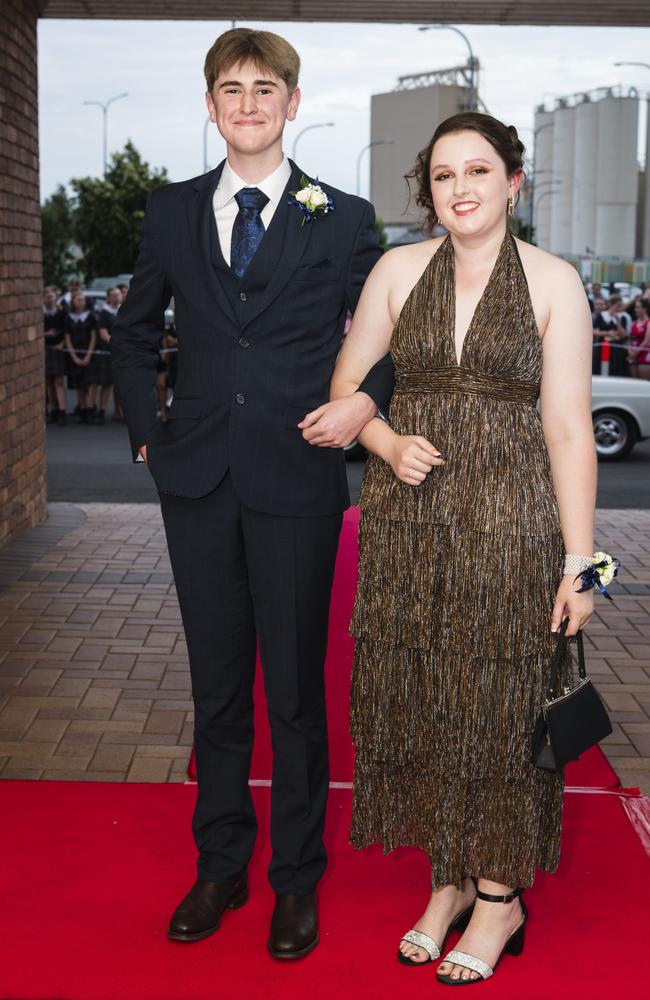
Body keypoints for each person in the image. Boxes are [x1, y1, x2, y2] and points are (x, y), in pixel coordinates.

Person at [110, 27, 388, 960]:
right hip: (195, 480)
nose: (248, 104)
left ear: (292, 103)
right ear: (211, 105)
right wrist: (150, 432)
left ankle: (295, 882)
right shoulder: (171, 209)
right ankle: (221, 864)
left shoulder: (343, 217)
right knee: (219, 686)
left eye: (265, 89)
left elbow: (391, 338)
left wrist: (362, 405)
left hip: (297, 477)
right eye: (231, 89)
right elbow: (136, 332)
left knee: (297, 696)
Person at [330, 112, 597, 985]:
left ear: (514, 182)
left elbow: (567, 431)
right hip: (411, 526)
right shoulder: (397, 271)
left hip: (515, 532)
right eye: (443, 176)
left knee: (503, 717)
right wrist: (386, 443)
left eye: (478, 170)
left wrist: (582, 565)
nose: (462, 188)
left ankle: (497, 897)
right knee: (423, 707)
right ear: (428, 191)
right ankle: (444, 881)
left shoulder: (557, 282)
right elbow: (349, 388)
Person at [63, 290, 98, 422]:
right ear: (73, 301)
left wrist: (88, 356)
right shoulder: (68, 317)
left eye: (83, 299)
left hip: (89, 354)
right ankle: (82, 408)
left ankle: (90, 408)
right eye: (78, 299)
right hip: (75, 355)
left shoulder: (91, 316)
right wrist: (74, 357)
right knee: (79, 384)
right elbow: (67, 338)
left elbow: (93, 338)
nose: (81, 302)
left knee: (89, 382)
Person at [94, 287, 122, 424]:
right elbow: (103, 333)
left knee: (121, 384)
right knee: (107, 384)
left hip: (123, 353)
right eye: (113, 295)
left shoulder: (125, 310)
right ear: (109, 298)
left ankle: (121, 412)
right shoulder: (104, 313)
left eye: (118, 294)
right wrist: (117, 342)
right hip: (109, 352)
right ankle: (102, 411)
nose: (116, 297)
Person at [43, 286, 67, 425]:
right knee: (48, 382)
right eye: (47, 296)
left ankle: (62, 410)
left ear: (55, 297)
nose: (49, 299)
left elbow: (66, 329)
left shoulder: (62, 311)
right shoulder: (40, 312)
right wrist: (46, 334)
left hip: (58, 349)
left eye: (51, 296)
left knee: (58, 381)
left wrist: (62, 343)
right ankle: (53, 409)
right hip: (45, 349)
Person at [593, 294, 628, 376]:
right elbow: (594, 331)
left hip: (617, 348)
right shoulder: (602, 315)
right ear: (611, 304)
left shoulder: (623, 317)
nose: (618, 308)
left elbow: (623, 335)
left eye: (620, 306)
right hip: (602, 346)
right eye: (617, 305)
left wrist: (618, 322)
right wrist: (607, 333)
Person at [628, 297, 650, 380]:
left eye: (638, 307)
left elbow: (646, 340)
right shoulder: (634, 323)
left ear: (644, 309)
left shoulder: (648, 323)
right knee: (634, 382)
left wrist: (635, 353)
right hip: (633, 354)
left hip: (643, 354)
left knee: (643, 382)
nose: (635, 309)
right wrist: (629, 351)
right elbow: (629, 339)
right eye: (635, 307)